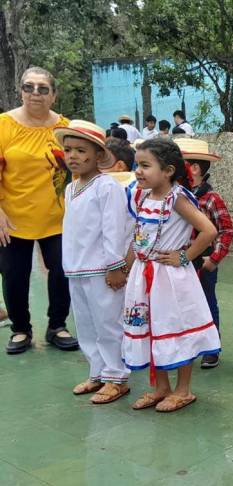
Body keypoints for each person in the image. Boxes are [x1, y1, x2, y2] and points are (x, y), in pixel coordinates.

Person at [123, 139, 220, 412]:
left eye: (145, 165)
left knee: (176, 328)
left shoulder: (176, 198)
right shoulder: (142, 196)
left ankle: (183, 389)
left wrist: (184, 256)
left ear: (167, 170)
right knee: (153, 327)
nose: (138, 171)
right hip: (144, 274)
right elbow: (138, 237)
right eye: (136, 165)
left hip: (171, 278)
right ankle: (161, 387)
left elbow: (208, 231)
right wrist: (127, 267)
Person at [0, 66, 79, 354]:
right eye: (28, 87)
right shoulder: (3, 125)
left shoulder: (66, 128)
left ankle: (57, 325)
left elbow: (81, 168)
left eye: (43, 88)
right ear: (20, 91)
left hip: (59, 218)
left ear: (54, 95)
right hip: (12, 218)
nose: (35, 93)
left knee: (62, 271)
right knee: (14, 275)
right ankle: (21, 329)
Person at [57, 120, 133, 404]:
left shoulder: (107, 187)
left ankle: (117, 376)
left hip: (102, 270)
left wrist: (115, 266)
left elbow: (113, 229)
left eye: (80, 150)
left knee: (108, 323)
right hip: (77, 268)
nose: (73, 156)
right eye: (68, 150)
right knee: (86, 324)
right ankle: (97, 371)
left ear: (99, 156)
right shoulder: (71, 188)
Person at [177, 138, 233, 370]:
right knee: (181, 304)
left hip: (202, 261)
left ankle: (212, 348)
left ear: (195, 168)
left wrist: (214, 258)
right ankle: (186, 345)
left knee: (207, 302)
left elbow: (226, 229)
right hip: (178, 260)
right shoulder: (176, 196)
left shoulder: (210, 198)